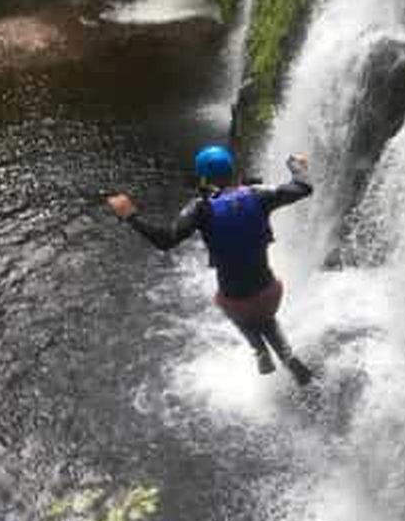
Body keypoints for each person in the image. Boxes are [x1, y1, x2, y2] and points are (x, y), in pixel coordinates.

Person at [107, 145, 313, 385]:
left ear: (203, 177)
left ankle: (259, 350)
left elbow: (164, 240)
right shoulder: (258, 194)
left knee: (235, 310)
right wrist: (295, 165)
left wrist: (130, 215)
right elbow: (303, 187)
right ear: (232, 169)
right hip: (269, 293)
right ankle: (287, 356)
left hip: (234, 300)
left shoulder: (200, 208)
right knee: (266, 318)